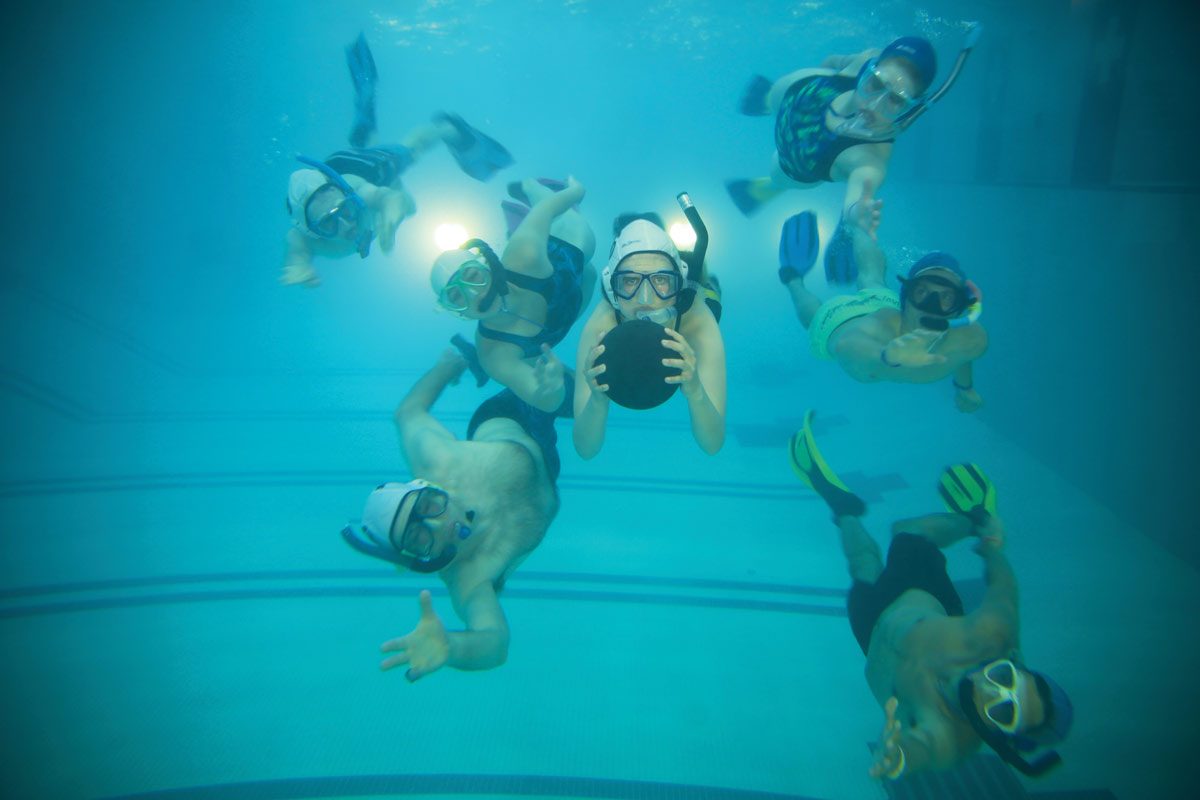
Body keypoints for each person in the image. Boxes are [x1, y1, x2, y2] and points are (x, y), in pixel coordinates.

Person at [788, 413, 1074, 780]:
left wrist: (898, 757)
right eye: (1004, 677)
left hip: (872, 631)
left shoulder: (950, 734)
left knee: (863, 563)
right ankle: (976, 518)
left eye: (1003, 711)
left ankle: (842, 507)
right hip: (920, 596)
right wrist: (991, 542)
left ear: (1001, 734)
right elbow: (1004, 588)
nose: (990, 689)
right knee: (906, 531)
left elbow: (923, 748)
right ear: (1012, 661)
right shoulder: (990, 634)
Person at [341, 347, 561, 680]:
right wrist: (453, 648)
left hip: (510, 412)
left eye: (428, 506)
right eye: (419, 537)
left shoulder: (436, 460)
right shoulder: (468, 578)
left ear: (428, 486)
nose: (440, 523)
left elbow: (407, 413)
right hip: (549, 461)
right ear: (415, 558)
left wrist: (447, 366)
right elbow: (495, 643)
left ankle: (483, 356)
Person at [727, 27, 979, 284]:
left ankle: (768, 187)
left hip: (790, 165)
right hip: (787, 97)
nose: (874, 104)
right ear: (868, 69)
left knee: (778, 176)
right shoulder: (865, 59)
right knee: (773, 97)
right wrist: (830, 65)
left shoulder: (870, 157)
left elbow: (861, 193)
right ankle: (769, 101)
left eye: (894, 100)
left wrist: (857, 214)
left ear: (908, 110)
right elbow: (835, 61)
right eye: (876, 84)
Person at [282, 34, 513, 287]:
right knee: (409, 203)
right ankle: (365, 117)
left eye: (345, 210)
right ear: (312, 230)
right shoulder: (309, 239)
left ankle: (444, 128)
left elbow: (389, 198)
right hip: (341, 170)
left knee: (411, 152)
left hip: (362, 170)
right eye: (328, 223)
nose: (347, 223)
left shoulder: (357, 192)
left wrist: (391, 214)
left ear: (348, 196)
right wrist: (299, 266)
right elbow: (297, 246)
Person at [775, 181, 986, 412]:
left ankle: (856, 227)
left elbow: (964, 353)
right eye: (922, 292)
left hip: (883, 300)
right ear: (906, 296)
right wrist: (886, 356)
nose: (931, 306)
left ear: (959, 309)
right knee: (813, 317)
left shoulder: (972, 338)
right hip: (839, 321)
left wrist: (964, 388)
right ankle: (793, 280)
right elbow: (848, 345)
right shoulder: (881, 324)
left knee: (873, 278)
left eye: (946, 298)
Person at [430, 176, 596, 414]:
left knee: (586, 244)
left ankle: (530, 186)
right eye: (457, 296)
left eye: (473, 276)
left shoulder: (522, 253)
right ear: (457, 312)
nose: (474, 294)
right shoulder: (492, 353)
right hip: (561, 316)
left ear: (487, 267)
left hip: (567, 255)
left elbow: (546, 209)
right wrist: (552, 388)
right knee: (589, 276)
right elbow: (543, 398)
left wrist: (576, 191)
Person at [573, 210, 726, 457]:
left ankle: (708, 285)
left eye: (662, 280)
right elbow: (585, 449)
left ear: (678, 286)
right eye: (630, 281)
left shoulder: (696, 322)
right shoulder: (602, 324)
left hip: (688, 309)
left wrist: (696, 390)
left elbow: (712, 444)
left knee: (708, 295)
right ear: (613, 290)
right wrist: (597, 400)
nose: (646, 299)